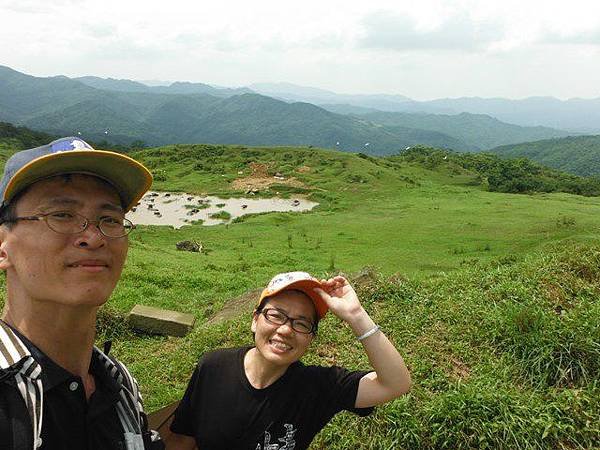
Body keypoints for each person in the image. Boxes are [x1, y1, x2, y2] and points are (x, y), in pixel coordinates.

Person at [0, 137, 164, 449]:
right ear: (3, 246)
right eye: (62, 214)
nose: (93, 237)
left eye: (110, 219)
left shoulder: (120, 385)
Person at [167, 271, 411, 450]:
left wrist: (356, 316)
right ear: (255, 319)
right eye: (276, 315)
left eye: (301, 323)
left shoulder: (317, 387)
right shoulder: (213, 367)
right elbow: (182, 439)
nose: (285, 330)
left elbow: (395, 384)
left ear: (311, 338)